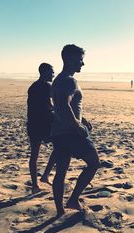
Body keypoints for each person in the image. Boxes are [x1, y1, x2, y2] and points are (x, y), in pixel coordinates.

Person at [51, 44, 100, 216]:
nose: (83, 64)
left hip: (58, 133)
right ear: (70, 59)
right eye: (80, 60)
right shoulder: (69, 80)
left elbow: (61, 106)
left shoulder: (58, 79)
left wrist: (81, 118)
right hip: (71, 134)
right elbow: (64, 105)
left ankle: (60, 210)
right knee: (94, 163)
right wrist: (77, 125)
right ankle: (73, 199)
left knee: (61, 171)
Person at [27, 63, 56, 193]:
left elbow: (32, 106)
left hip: (33, 123)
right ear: (44, 72)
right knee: (59, 147)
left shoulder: (33, 86)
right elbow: (51, 106)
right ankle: (45, 176)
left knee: (34, 155)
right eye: (52, 72)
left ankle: (35, 185)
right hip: (44, 124)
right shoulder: (47, 86)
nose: (53, 75)